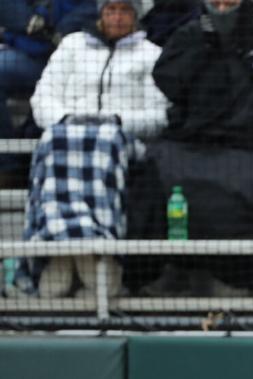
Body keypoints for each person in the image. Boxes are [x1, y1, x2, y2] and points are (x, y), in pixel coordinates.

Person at [127, 0, 253, 296]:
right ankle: (167, 268)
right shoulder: (190, 33)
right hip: (194, 140)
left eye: (230, 3)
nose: (223, 9)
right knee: (155, 172)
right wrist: (203, 47)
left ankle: (237, 276)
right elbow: (168, 81)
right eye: (216, 2)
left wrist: (251, 55)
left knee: (239, 184)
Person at [25, 0, 168, 298]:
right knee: (53, 140)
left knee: (103, 143)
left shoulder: (152, 55)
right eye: (110, 10)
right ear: (101, 13)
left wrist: (116, 121)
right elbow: (42, 98)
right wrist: (66, 120)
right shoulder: (72, 46)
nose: (117, 17)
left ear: (136, 16)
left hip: (119, 141)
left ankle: (96, 253)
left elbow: (159, 116)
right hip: (67, 134)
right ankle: (59, 254)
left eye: (125, 11)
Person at [0, 0, 97, 184]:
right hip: (27, 55)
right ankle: (7, 167)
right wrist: (31, 22)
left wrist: (58, 27)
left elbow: (94, 7)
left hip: (70, 58)